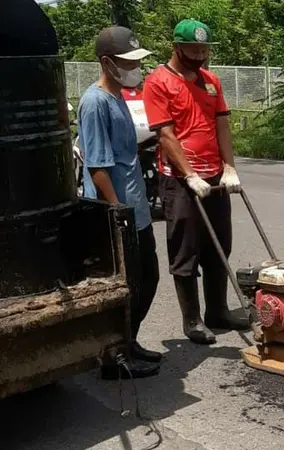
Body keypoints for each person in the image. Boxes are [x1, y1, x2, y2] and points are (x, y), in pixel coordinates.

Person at [142, 18, 247, 345]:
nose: (200, 55)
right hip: (181, 180)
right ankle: (192, 320)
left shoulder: (211, 81)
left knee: (219, 245)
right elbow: (166, 135)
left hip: (214, 175)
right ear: (176, 48)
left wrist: (229, 166)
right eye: (193, 49)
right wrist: (189, 175)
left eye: (204, 49)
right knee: (186, 249)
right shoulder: (158, 82)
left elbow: (222, 126)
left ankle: (218, 311)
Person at [77, 26, 162, 379]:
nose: (134, 69)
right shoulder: (95, 102)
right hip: (119, 213)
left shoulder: (119, 99)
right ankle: (114, 358)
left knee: (148, 279)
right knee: (126, 288)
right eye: (127, 62)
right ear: (107, 63)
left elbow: (122, 153)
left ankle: (129, 341)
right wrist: (117, 212)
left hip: (137, 209)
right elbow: (96, 164)